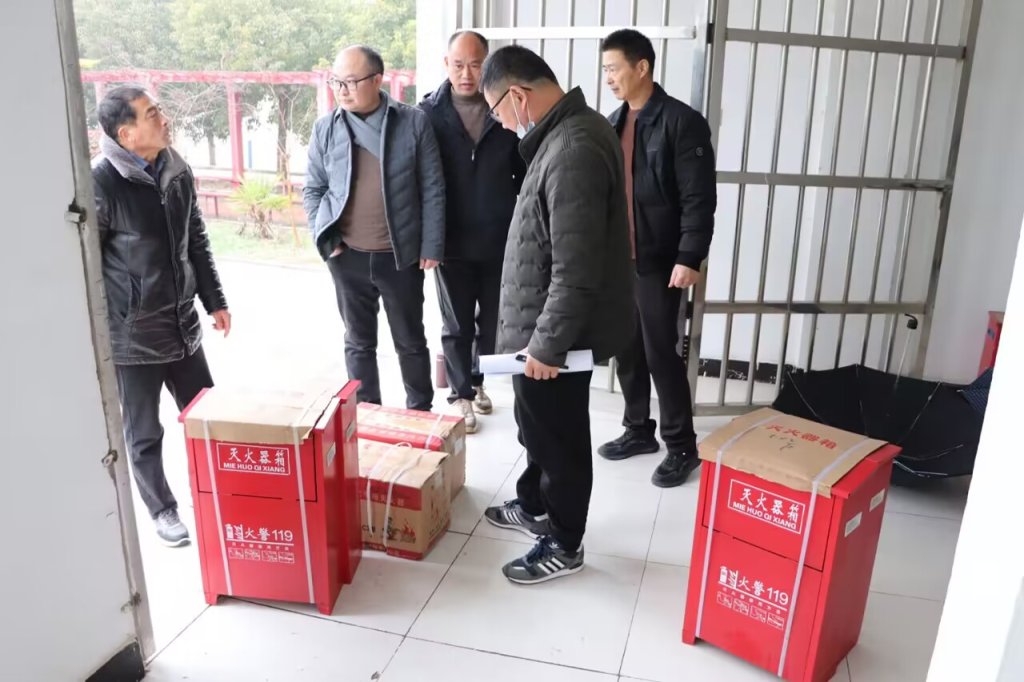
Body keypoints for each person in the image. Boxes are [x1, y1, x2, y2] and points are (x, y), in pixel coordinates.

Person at [480, 46, 634, 584]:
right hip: (539, 328)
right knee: (537, 428)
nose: (502, 124)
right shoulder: (564, 135)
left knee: (559, 439)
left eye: (498, 111)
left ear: (518, 96)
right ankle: (536, 505)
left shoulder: (572, 149)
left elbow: (576, 268)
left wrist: (547, 346)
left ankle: (565, 543)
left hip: (556, 339)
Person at [93, 86, 231, 547]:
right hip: (132, 336)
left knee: (207, 418)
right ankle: (162, 509)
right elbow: (87, 265)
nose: (163, 118)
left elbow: (196, 239)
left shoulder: (175, 168)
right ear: (127, 134)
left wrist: (214, 300)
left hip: (182, 326)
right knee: (144, 433)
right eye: (152, 114)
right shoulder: (101, 183)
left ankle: (219, 495)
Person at [598, 29, 717, 488]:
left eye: (614, 69)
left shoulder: (681, 122)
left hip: (661, 260)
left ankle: (682, 446)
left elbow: (698, 197)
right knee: (626, 349)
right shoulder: (612, 123)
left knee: (660, 352)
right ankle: (637, 429)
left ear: (641, 66)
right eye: (606, 70)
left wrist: (690, 255)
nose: (609, 78)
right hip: (619, 261)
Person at [304, 45, 445, 412]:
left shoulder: (412, 122)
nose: (342, 90)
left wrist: (431, 244)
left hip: (400, 255)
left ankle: (420, 412)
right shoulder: (326, 128)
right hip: (347, 254)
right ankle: (366, 414)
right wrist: (327, 240)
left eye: (351, 81)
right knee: (358, 342)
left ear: (377, 79)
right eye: (336, 82)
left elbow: (432, 187)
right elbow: (314, 189)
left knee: (410, 341)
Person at [419, 31, 526, 433]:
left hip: (500, 238)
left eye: (476, 64)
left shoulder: (504, 108)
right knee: (457, 323)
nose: (467, 74)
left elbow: (522, 173)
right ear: (446, 64)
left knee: (493, 321)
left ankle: (478, 382)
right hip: (451, 241)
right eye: (458, 64)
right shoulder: (427, 114)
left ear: (488, 64)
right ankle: (460, 394)